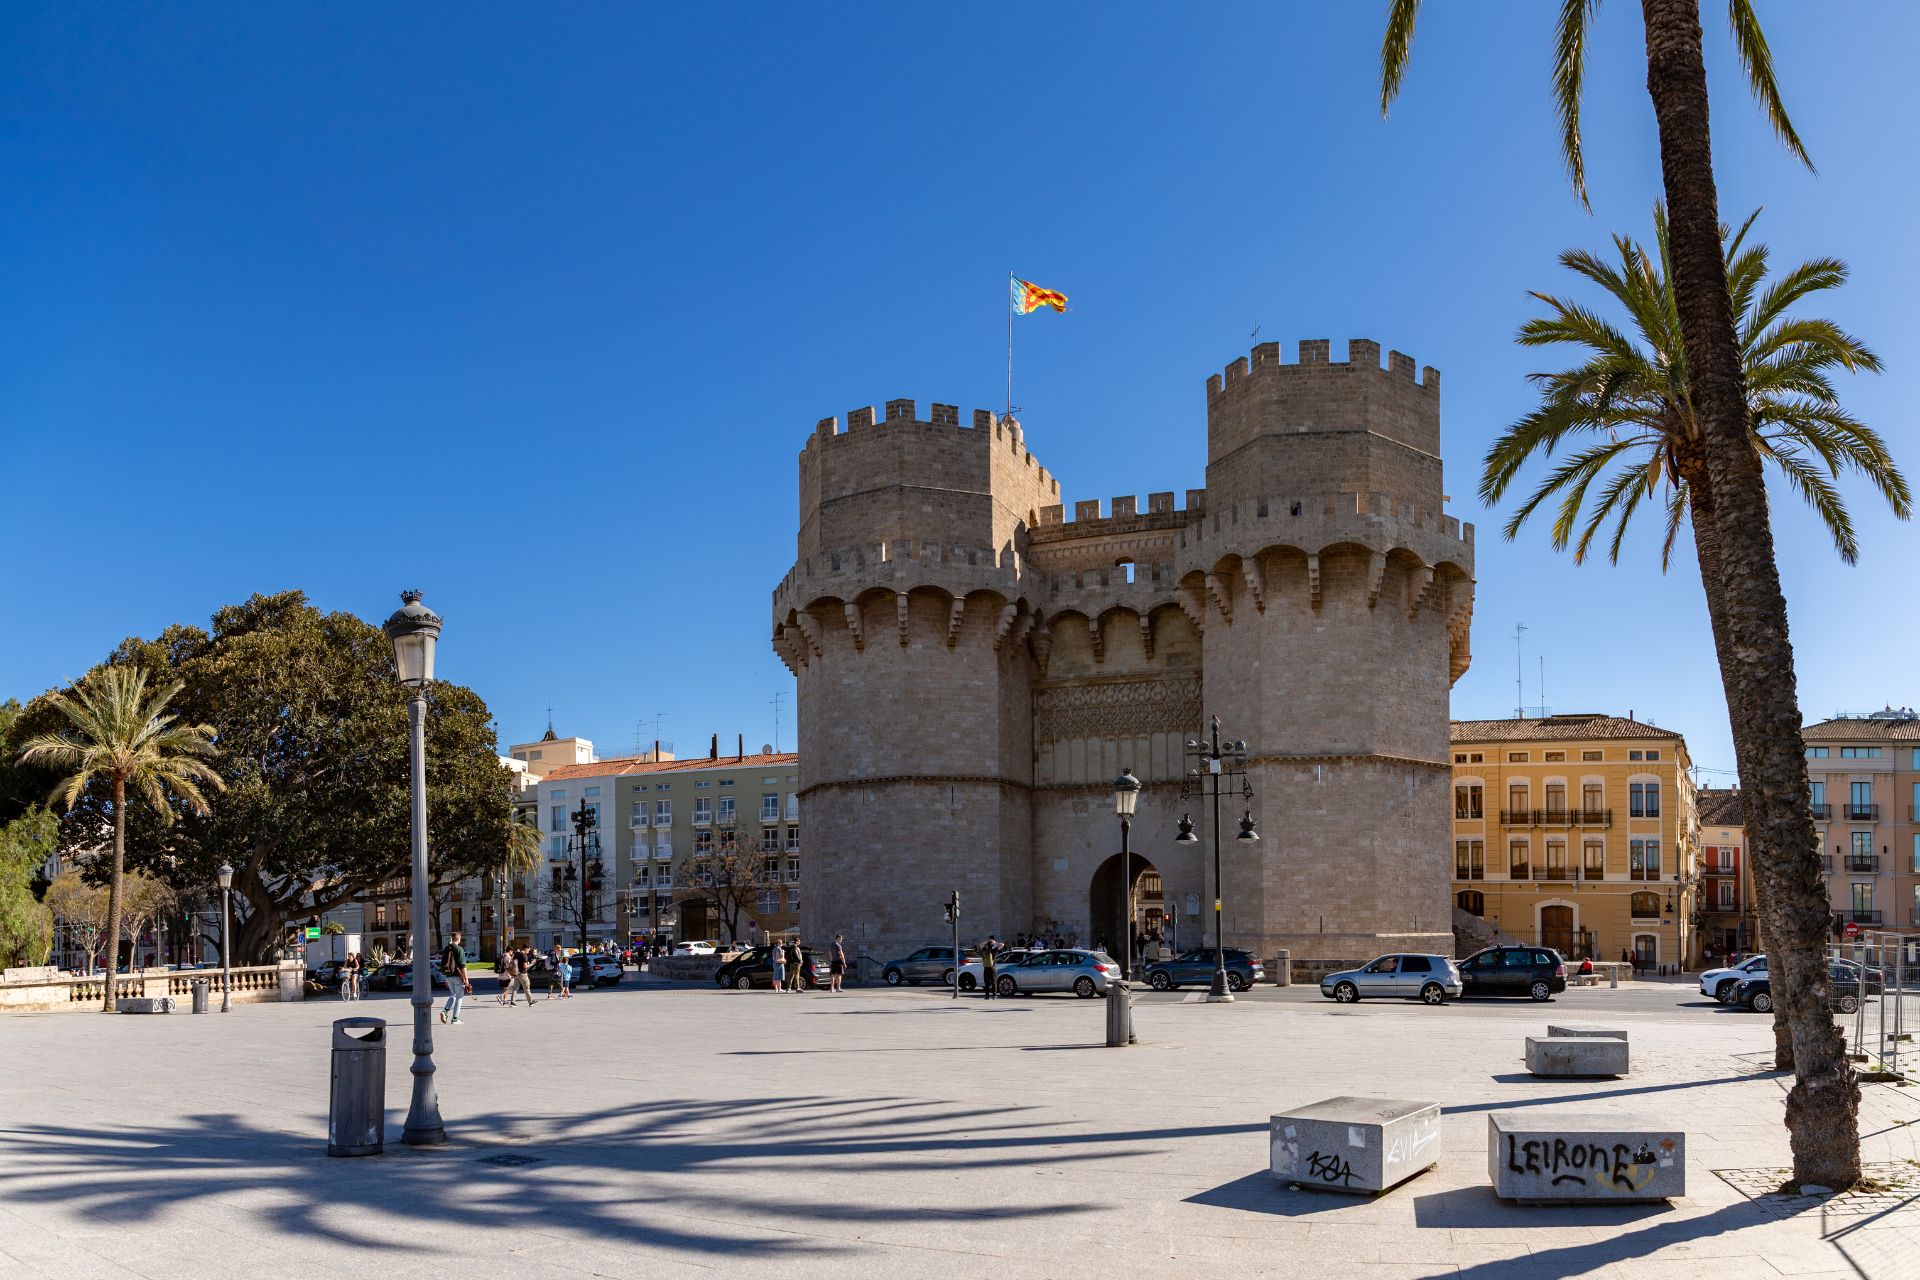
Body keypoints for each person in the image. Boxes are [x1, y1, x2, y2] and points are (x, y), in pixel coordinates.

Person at [439, 932, 467, 1024]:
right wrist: (466, 979)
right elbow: (463, 966)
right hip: (458, 976)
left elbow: (444, 963)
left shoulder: (447, 948)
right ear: (459, 939)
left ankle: (445, 1011)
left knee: (453, 994)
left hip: (448, 975)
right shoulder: (459, 949)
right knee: (459, 997)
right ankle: (455, 1018)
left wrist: (446, 978)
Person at [981, 936, 998, 1000]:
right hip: (991, 968)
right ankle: (994, 995)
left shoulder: (987, 950)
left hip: (987, 968)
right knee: (992, 982)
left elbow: (981, 944)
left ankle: (988, 995)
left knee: (987, 982)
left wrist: (991, 942)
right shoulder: (992, 950)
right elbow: (1002, 944)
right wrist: (993, 942)